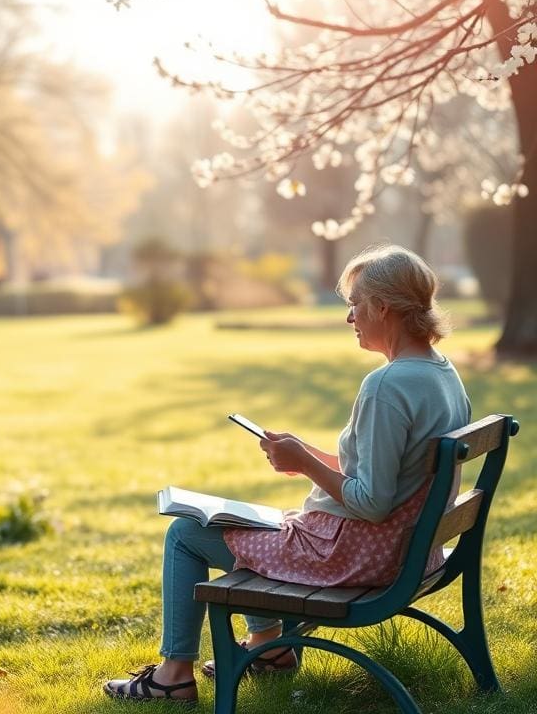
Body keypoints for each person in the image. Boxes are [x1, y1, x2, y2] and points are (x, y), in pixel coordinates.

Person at [104, 244, 470, 703]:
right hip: (411, 549)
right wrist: (306, 454)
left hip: (363, 555)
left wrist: (304, 462)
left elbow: (372, 503)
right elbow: (391, 472)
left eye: (355, 305)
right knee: (260, 525)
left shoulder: (387, 385)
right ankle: (267, 650)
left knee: (185, 533)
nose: (350, 317)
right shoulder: (441, 373)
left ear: (382, 307)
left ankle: (174, 675)